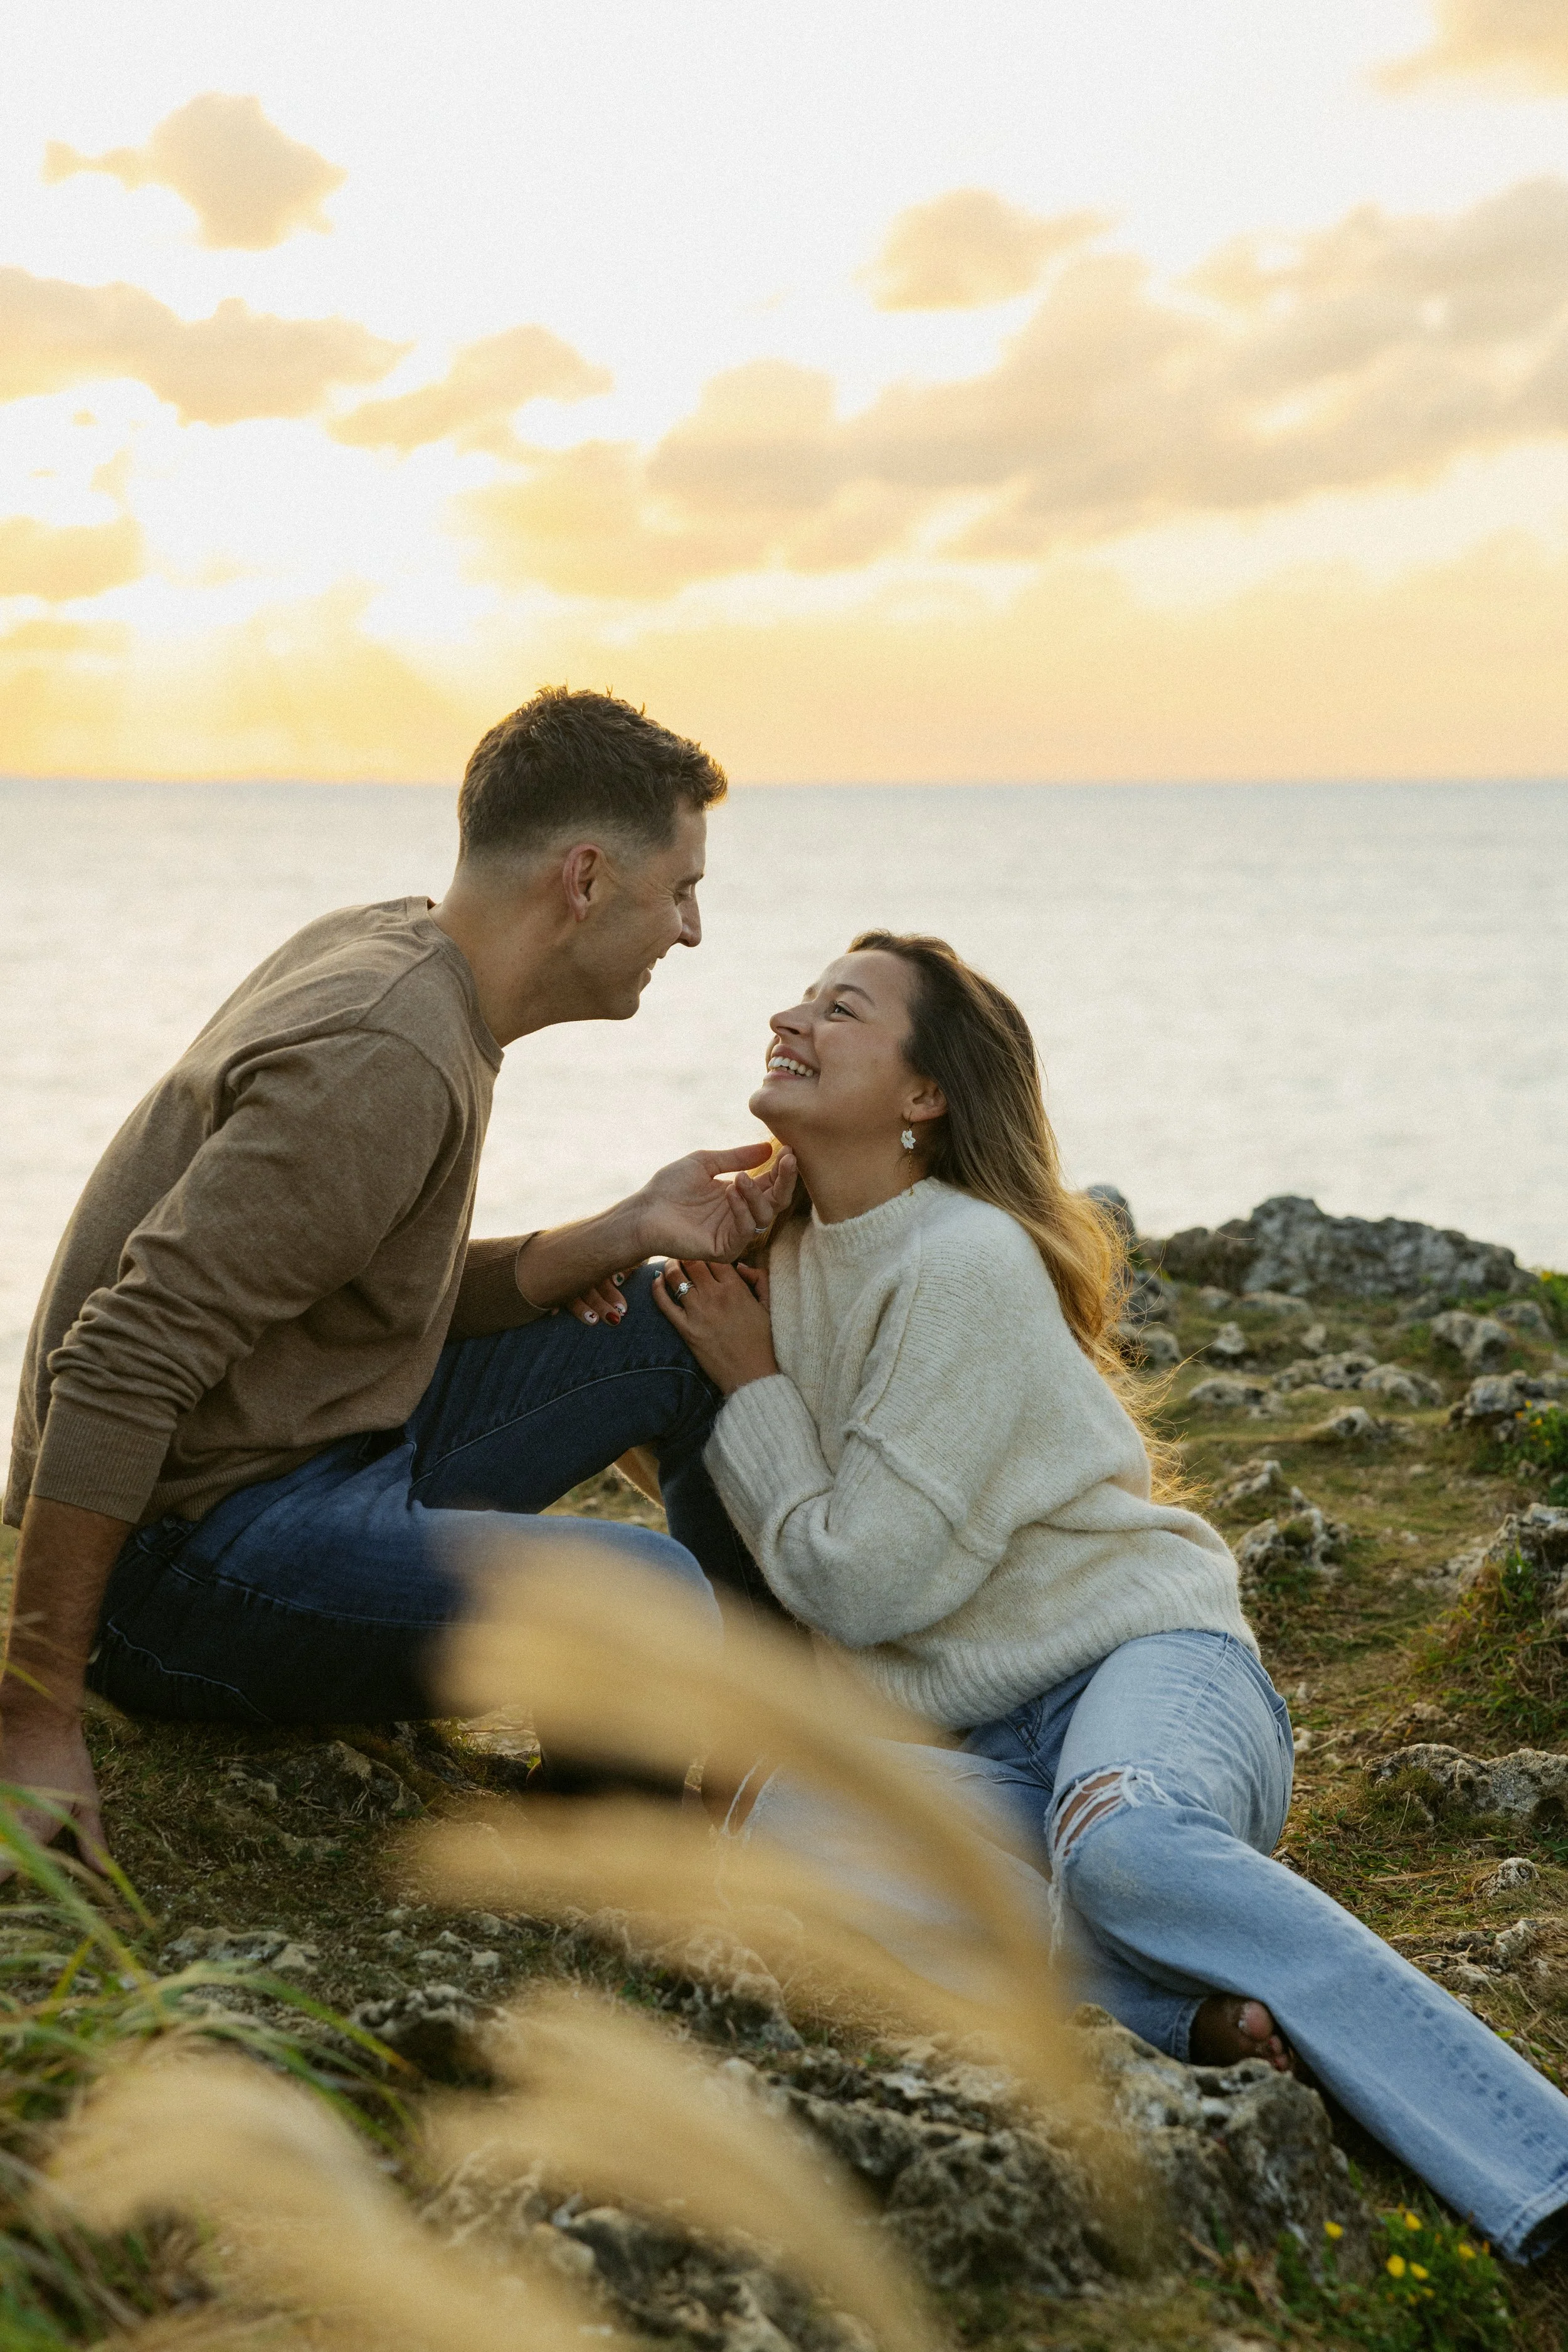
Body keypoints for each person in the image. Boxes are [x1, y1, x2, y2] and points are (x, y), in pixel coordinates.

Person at [650, 929, 1568, 2263]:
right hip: (962, 1749)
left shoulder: (959, 1255)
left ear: (923, 1097)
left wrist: (752, 1392)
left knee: (1123, 1846)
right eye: (800, 996)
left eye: (839, 1009)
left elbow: (859, 1581)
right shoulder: (774, 1262)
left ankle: (1538, 2165)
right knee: (761, 1827)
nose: (791, 1017)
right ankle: (1178, 2017)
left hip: (1143, 1669)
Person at [1, 686, 798, 1870]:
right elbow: (124, 1355)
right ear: (584, 879)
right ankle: (593, 1892)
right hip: (184, 1566)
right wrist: (34, 1716)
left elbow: (355, 1287)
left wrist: (625, 1228)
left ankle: (761, 1767)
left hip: (320, 1446)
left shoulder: (409, 957)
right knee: (644, 1603)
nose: (690, 930)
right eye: (680, 890)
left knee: (671, 1320)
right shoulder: (384, 1053)